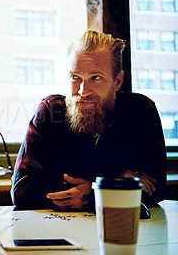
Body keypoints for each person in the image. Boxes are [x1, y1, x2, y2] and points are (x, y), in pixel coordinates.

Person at [11, 30, 167, 211]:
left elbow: (155, 189)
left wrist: (90, 194)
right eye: (75, 77)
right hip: (57, 232)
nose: (83, 91)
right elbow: (22, 191)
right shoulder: (50, 111)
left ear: (118, 81)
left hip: (123, 230)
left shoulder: (140, 111)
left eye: (96, 78)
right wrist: (112, 182)